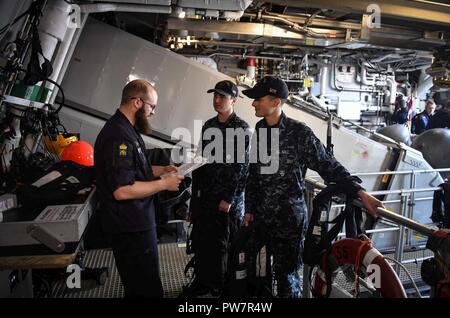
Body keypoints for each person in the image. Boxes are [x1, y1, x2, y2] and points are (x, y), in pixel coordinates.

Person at [242, 76, 384, 298]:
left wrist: (358, 191)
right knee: (259, 276)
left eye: (258, 99)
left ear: (275, 101)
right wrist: (249, 209)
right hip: (261, 219)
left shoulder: (300, 133)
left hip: (288, 221)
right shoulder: (260, 130)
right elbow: (254, 175)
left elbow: (329, 166)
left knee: (287, 279)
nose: (253, 104)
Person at [94, 79, 184, 297]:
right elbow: (122, 190)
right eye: (152, 106)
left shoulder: (127, 130)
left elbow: (134, 169)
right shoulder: (119, 137)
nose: (152, 112)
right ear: (137, 102)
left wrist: (161, 170)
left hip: (137, 223)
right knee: (145, 289)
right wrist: (164, 184)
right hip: (130, 227)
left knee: (144, 284)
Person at [187, 80, 251, 296]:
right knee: (205, 242)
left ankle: (226, 288)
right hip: (207, 196)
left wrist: (229, 199)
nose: (216, 100)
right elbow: (201, 161)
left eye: (222, 96)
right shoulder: (208, 126)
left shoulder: (241, 128)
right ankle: (205, 282)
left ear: (233, 100)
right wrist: (194, 200)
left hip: (228, 201)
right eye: (214, 96)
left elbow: (242, 168)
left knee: (227, 245)